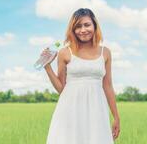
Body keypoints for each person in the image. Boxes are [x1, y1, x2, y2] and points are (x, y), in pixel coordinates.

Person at [42, 8, 120, 144]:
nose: (83, 30)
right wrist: (47, 66)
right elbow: (62, 88)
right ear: (72, 29)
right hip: (69, 109)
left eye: (87, 25)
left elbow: (107, 86)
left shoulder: (105, 52)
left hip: (97, 109)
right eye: (78, 26)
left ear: (94, 26)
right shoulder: (65, 52)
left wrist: (116, 117)